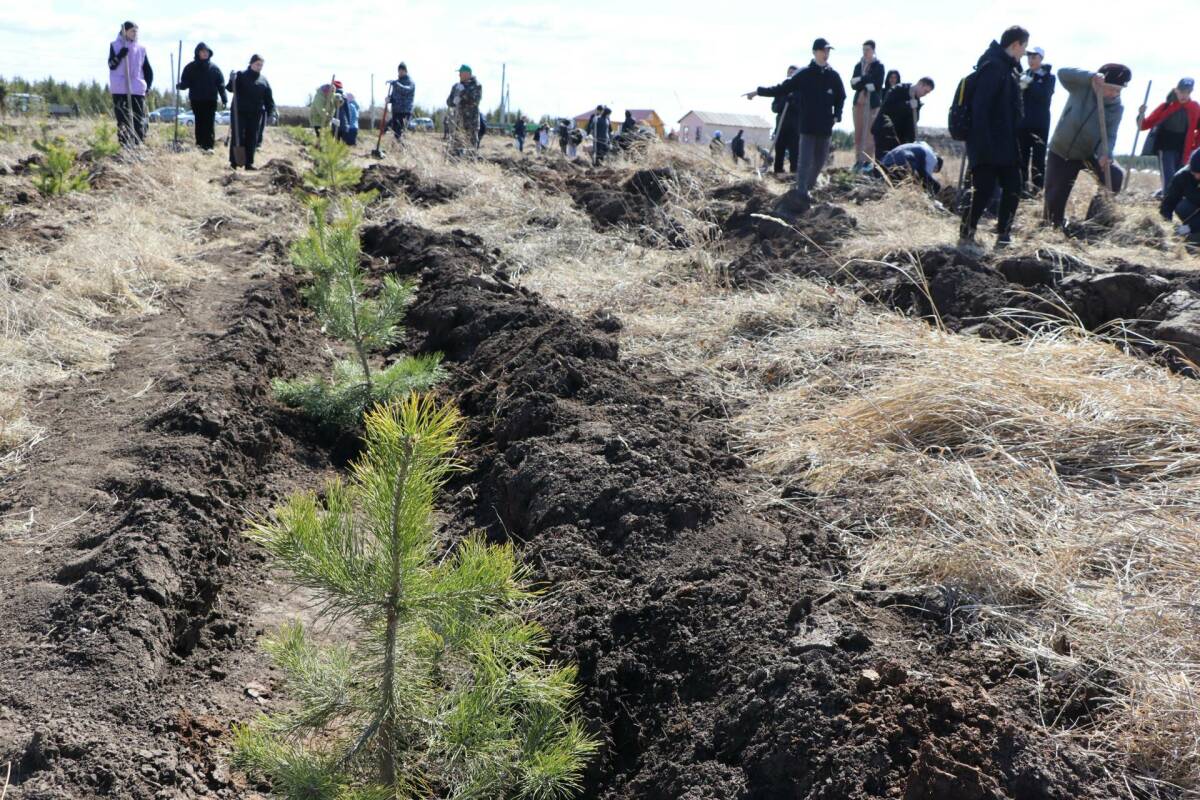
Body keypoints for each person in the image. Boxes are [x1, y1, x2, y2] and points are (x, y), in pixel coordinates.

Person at [746, 38, 846, 201]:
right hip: (807, 125)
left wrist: (837, 115)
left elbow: (841, 97)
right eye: (823, 50)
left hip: (825, 126)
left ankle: (808, 187)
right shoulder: (804, 74)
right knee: (804, 161)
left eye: (828, 51)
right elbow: (782, 88)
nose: (826, 53)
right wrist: (758, 91)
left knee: (820, 161)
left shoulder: (833, 76)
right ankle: (801, 192)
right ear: (815, 52)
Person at [960, 26, 1029, 251]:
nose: (1024, 53)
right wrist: (984, 145)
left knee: (1013, 186)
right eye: (1024, 47)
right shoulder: (993, 66)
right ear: (1016, 44)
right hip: (988, 143)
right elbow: (981, 108)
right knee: (984, 189)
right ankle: (966, 232)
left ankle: (1003, 235)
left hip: (1006, 143)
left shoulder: (1010, 69)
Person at [1042, 64, 1130, 229]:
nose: (1114, 94)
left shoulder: (1116, 108)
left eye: (1118, 91)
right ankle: (1055, 224)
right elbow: (1063, 73)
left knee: (1115, 176)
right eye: (1110, 88)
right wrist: (1090, 76)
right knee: (1053, 207)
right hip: (1062, 150)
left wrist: (1106, 154)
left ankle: (1094, 223)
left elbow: (1110, 135)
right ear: (1099, 82)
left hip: (1089, 154)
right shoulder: (1082, 86)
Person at [1139, 78, 1200, 195]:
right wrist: (1141, 114)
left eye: (1187, 92)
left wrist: (1196, 146)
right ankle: (1167, 202)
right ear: (1176, 91)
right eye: (1182, 91)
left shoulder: (1195, 107)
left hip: (1184, 149)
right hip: (1165, 147)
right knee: (1169, 176)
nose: (1184, 95)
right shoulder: (1165, 106)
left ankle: (1164, 196)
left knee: (1180, 176)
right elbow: (1143, 125)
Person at [107, 21, 153, 147]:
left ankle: (138, 143)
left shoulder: (141, 49)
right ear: (124, 31)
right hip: (120, 88)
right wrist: (120, 55)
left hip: (137, 88)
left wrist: (148, 86)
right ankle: (125, 144)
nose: (135, 33)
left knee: (139, 118)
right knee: (123, 118)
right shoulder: (115, 46)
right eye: (132, 30)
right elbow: (111, 65)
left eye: (136, 31)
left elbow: (148, 69)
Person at [1017, 47, 1055, 194]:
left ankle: (1037, 192)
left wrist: (1031, 84)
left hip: (1040, 125)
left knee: (1038, 162)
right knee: (1022, 159)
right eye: (1029, 57)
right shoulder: (1023, 75)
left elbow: (1044, 96)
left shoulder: (1049, 77)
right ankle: (1021, 191)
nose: (1030, 60)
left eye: (1034, 57)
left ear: (1041, 59)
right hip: (1023, 124)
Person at [226, 54, 275, 170]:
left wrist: (271, 112)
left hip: (255, 113)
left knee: (252, 137)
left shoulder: (263, 80)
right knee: (238, 136)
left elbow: (269, 99)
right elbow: (230, 88)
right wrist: (231, 79)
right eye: (257, 64)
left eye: (261, 65)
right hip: (239, 112)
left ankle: (249, 163)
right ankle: (234, 162)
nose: (259, 67)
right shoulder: (241, 75)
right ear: (251, 63)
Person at [177, 42, 226, 152]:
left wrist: (224, 98)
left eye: (207, 52)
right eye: (202, 51)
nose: (205, 53)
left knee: (209, 123)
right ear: (198, 53)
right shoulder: (190, 67)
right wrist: (181, 86)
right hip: (196, 99)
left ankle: (209, 146)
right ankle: (200, 145)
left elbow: (221, 85)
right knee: (199, 122)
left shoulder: (214, 69)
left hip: (211, 100)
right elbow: (186, 82)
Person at [872, 77, 935, 159]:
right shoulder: (898, 89)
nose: (925, 94)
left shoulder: (917, 101)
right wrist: (907, 105)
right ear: (920, 84)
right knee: (882, 161)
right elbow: (887, 108)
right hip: (885, 131)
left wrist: (911, 142)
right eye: (925, 91)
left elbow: (913, 123)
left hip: (900, 137)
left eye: (927, 93)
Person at [850, 40, 886, 170]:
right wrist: (863, 80)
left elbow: (877, 83)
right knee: (858, 133)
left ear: (873, 50)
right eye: (863, 49)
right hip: (859, 103)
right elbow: (853, 85)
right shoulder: (858, 66)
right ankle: (858, 160)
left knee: (869, 133)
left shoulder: (879, 66)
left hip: (872, 103)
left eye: (868, 50)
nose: (865, 52)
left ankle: (867, 161)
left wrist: (861, 79)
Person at [1161, 148, 1200, 246]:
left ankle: (1191, 237)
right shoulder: (1182, 176)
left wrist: (1188, 228)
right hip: (1194, 211)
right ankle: (1187, 234)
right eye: (1194, 173)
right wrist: (1165, 226)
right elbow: (1168, 204)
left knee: (1192, 237)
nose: (1197, 177)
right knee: (1182, 207)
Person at [769, 65, 801, 174]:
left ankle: (794, 174)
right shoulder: (782, 89)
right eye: (790, 73)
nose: (791, 75)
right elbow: (774, 107)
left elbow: (803, 109)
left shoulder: (800, 91)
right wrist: (783, 102)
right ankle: (778, 172)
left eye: (794, 73)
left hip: (795, 127)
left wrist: (793, 102)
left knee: (794, 152)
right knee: (780, 151)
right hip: (781, 126)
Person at [880, 141, 944, 193]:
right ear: (936, 165)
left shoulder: (917, 146)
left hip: (885, 162)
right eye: (934, 170)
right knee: (934, 186)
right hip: (901, 163)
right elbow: (926, 181)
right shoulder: (933, 158)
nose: (932, 171)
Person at [449, 65, 482, 154]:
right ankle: (455, 164)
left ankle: (469, 165)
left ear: (467, 74)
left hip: (471, 121)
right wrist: (454, 98)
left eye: (461, 73)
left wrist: (463, 93)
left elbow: (475, 101)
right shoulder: (457, 86)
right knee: (456, 147)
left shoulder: (476, 85)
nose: (459, 75)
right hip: (458, 122)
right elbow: (449, 102)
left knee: (470, 148)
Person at [387, 62, 415, 142]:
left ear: (406, 71)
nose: (400, 72)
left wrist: (396, 84)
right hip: (396, 111)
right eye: (399, 70)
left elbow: (406, 90)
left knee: (401, 133)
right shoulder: (396, 82)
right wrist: (389, 99)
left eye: (402, 70)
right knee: (396, 134)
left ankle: (403, 150)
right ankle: (397, 150)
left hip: (405, 112)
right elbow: (393, 96)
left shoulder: (410, 82)